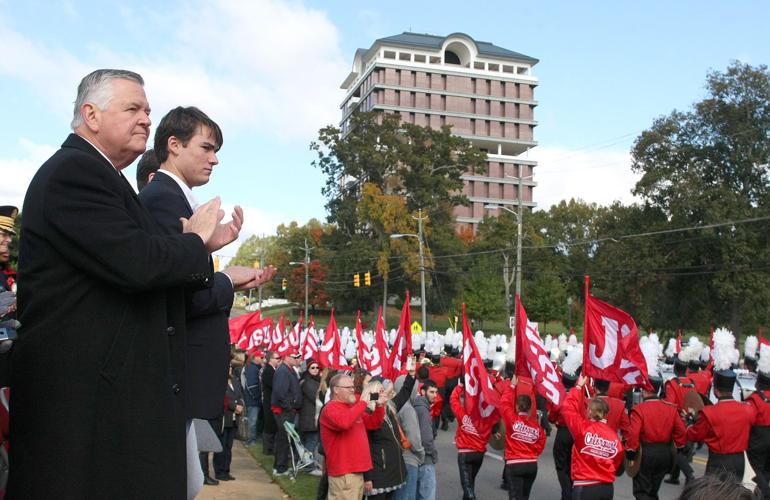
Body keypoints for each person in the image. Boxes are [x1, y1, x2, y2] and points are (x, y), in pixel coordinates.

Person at [10, 69, 225, 499]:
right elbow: (137, 262)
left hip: (103, 405)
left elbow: (143, 254)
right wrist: (195, 241)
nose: (147, 118)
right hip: (85, 410)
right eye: (133, 108)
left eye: (147, 109)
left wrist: (199, 247)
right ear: (91, 114)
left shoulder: (106, 178)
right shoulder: (75, 172)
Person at [686, 367, 756, 478]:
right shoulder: (748, 410)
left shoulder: (710, 412)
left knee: (713, 494)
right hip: (739, 461)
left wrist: (689, 424)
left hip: (718, 461)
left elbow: (695, 434)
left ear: (715, 391)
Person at [561, 375, 624, 500]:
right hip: (606, 488)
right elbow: (616, 462)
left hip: (585, 486)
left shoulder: (582, 428)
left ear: (589, 411)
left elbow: (567, 408)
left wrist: (578, 387)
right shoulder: (614, 437)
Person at [625, 373, 687, 500]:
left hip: (646, 454)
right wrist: (679, 447)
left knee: (641, 492)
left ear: (646, 390)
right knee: (653, 491)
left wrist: (631, 453)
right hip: (665, 454)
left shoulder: (639, 410)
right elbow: (681, 431)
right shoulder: (671, 408)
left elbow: (633, 434)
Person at [320, 373, 377, 500]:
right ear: (336, 389)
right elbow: (344, 423)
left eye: (353, 387)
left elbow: (373, 423)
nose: (353, 390)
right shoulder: (330, 408)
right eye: (349, 387)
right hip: (344, 473)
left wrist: (379, 406)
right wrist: (362, 402)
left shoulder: (351, 408)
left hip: (356, 471)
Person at [363, 370, 416, 500]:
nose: (385, 393)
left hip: (392, 470)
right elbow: (365, 447)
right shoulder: (367, 413)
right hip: (378, 472)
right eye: (380, 391)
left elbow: (405, 393)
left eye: (384, 390)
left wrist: (411, 374)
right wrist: (367, 477)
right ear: (371, 394)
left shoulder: (389, 407)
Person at [449, 381, 499, 500]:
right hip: (479, 454)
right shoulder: (487, 419)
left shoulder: (463, 414)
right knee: (470, 484)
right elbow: (498, 412)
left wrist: (460, 386)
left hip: (465, 454)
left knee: (468, 488)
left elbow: (453, 399)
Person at [500, 377, 546, 500]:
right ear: (531, 408)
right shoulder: (537, 428)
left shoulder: (511, 419)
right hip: (531, 465)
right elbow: (541, 445)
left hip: (514, 464)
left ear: (517, 406)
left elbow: (504, 403)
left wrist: (512, 386)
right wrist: (531, 453)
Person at [664, 354, 698, 485]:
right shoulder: (692, 383)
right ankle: (674, 476)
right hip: (690, 419)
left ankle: (689, 475)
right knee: (681, 448)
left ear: (675, 369)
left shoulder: (672, 383)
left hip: (678, 419)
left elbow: (670, 404)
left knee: (676, 449)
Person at [271, 349, 303, 476]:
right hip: (283, 411)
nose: (298, 359)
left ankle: (280, 465)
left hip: (287, 410)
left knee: (284, 438)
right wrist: (289, 407)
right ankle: (280, 468)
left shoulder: (288, 370)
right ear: (287, 357)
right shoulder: (283, 371)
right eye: (295, 357)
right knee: (283, 439)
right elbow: (280, 393)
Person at [394, 374, 424, 500]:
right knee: (407, 496)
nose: (417, 393)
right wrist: (421, 453)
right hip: (409, 459)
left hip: (398, 459)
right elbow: (413, 438)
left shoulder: (395, 405)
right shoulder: (408, 409)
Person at [212, 364, 244, 481]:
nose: (230, 369)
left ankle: (226, 470)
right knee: (222, 445)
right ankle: (219, 471)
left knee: (229, 446)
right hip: (225, 417)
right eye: (227, 367)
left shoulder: (235, 380)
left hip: (234, 418)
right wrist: (234, 406)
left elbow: (240, 394)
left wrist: (240, 404)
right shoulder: (219, 382)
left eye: (230, 367)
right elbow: (223, 397)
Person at [746, 359, 770, 498]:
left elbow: (748, 419)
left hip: (759, 436)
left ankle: (765, 493)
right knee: (767, 469)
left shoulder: (755, 399)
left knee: (755, 468)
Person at [413, 380, 438, 500]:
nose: (435, 395)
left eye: (436, 392)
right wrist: (433, 454)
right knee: (427, 495)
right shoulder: (423, 409)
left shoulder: (418, 406)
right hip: (425, 459)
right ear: (422, 392)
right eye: (431, 392)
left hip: (418, 459)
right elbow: (426, 438)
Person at [299, 359, 324, 460]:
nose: (315, 369)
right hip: (310, 418)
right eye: (312, 368)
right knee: (311, 442)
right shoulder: (307, 382)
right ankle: (307, 465)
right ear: (308, 369)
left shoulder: (317, 380)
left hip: (313, 417)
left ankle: (308, 463)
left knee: (312, 441)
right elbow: (316, 397)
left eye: (317, 367)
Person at [261, 351, 281, 455]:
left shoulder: (272, 370)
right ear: (270, 359)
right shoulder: (268, 370)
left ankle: (270, 448)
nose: (279, 360)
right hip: (269, 402)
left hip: (271, 401)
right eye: (277, 358)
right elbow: (274, 385)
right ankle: (268, 449)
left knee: (272, 424)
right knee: (269, 424)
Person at [243, 352, 264, 446]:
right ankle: (251, 440)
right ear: (255, 358)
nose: (263, 359)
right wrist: (257, 397)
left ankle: (253, 439)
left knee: (254, 420)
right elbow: (251, 386)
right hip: (252, 400)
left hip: (253, 399)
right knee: (252, 421)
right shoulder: (252, 368)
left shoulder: (254, 368)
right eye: (261, 357)